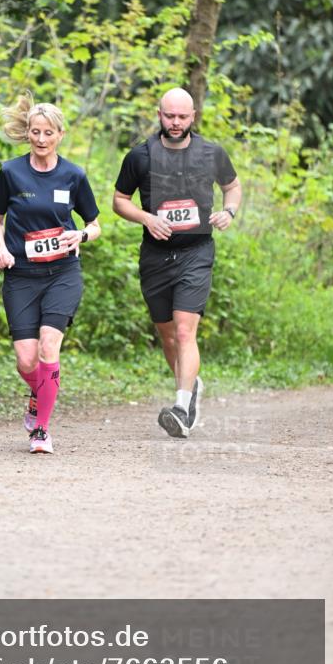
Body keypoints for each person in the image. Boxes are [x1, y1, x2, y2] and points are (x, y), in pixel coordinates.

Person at [113, 87, 242, 438]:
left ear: (193, 117)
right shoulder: (139, 157)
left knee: (186, 330)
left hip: (196, 251)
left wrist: (228, 211)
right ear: (159, 115)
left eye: (182, 117)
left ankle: (182, 408)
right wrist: (145, 218)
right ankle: (191, 383)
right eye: (169, 116)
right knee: (169, 337)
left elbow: (233, 186)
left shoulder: (211, 152)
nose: (175, 122)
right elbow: (119, 200)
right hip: (155, 255)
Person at [0, 93, 101, 455]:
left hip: (63, 273)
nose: (40, 139)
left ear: (60, 135)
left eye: (47, 133)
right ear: (27, 133)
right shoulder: (11, 172)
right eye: (35, 132)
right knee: (26, 359)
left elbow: (95, 224)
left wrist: (80, 234)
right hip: (21, 275)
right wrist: (1, 250)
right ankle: (39, 392)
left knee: (50, 347)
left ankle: (42, 430)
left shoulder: (73, 175)